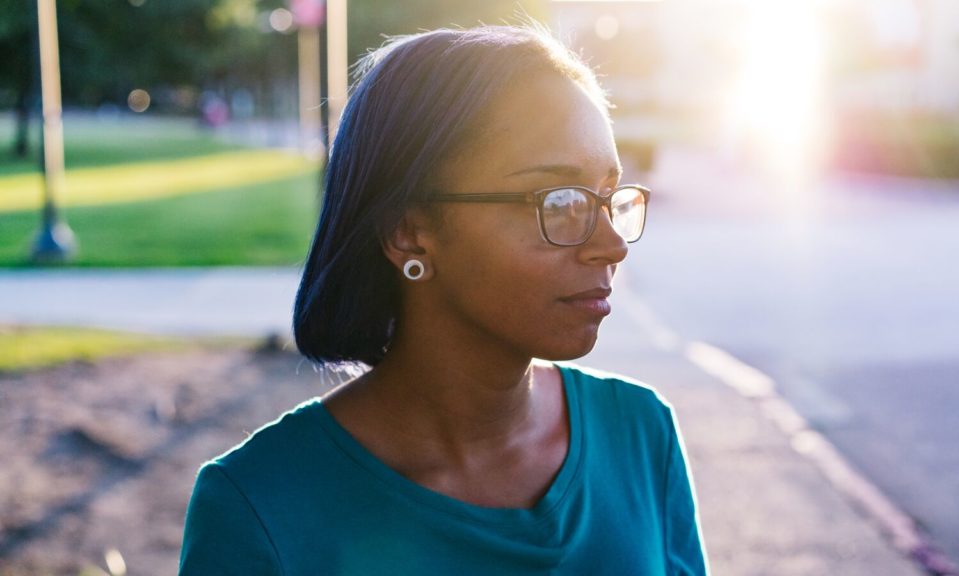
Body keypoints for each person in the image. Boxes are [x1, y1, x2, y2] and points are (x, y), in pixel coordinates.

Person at [179, 23, 708, 575]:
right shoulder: (259, 507)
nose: (613, 245)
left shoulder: (641, 434)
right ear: (409, 231)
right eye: (561, 201)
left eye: (608, 198)